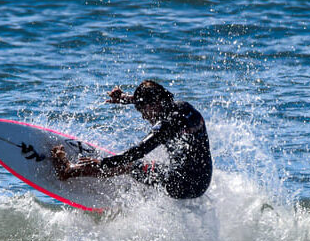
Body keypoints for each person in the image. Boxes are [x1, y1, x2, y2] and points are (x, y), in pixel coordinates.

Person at [50, 80, 212, 200]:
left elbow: (136, 152)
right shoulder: (182, 108)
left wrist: (101, 162)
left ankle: (68, 171)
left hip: (184, 185)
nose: (142, 115)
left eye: (141, 110)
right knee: (150, 167)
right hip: (201, 180)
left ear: (153, 105)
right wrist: (125, 98)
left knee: (130, 165)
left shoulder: (167, 126)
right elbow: (149, 99)